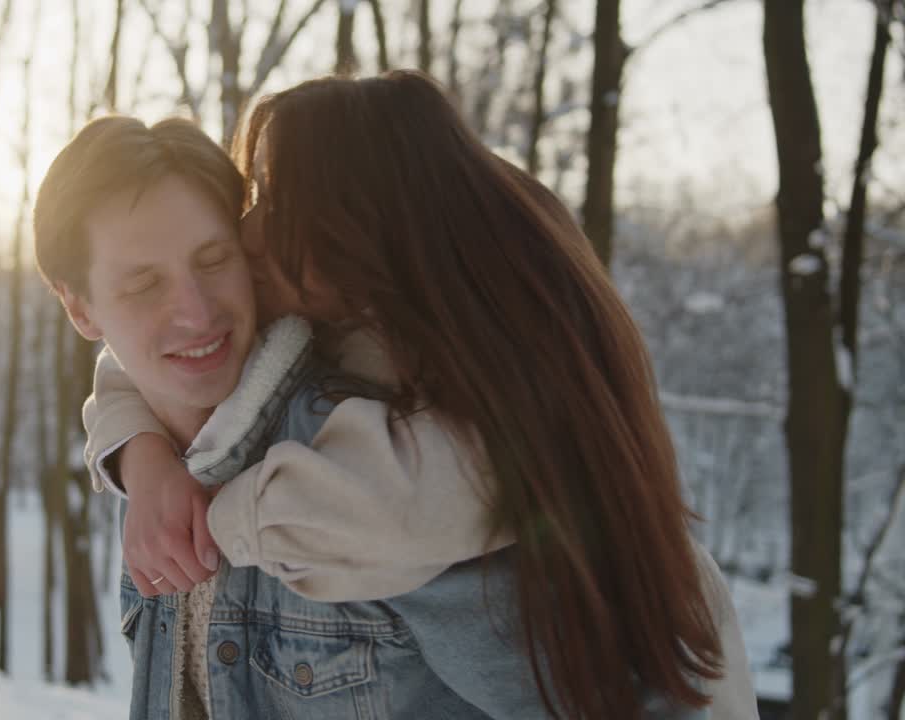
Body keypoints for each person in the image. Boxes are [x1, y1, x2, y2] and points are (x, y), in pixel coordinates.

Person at [71, 72, 759, 719]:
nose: (251, 230)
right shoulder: (345, 345)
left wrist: (211, 523)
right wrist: (141, 454)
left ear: (365, 244)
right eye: (258, 197)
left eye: (278, 205)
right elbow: (137, 362)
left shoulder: (432, 444)